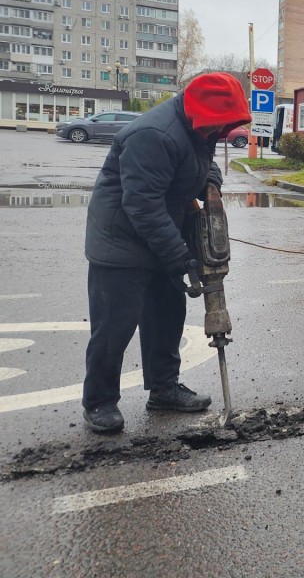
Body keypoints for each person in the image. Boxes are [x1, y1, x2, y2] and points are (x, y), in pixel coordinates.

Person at [81, 72, 251, 433]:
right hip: (121, 240)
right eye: (218, 125)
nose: (220, 132)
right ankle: (100, 402)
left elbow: (206, 164)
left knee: (167, 315)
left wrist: (211, 184)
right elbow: (142, 205)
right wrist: (180, 257)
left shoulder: (197, 130)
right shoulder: (153, 135)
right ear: (200, 112)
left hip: (160, 232)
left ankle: (164, 389)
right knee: (115, 326)